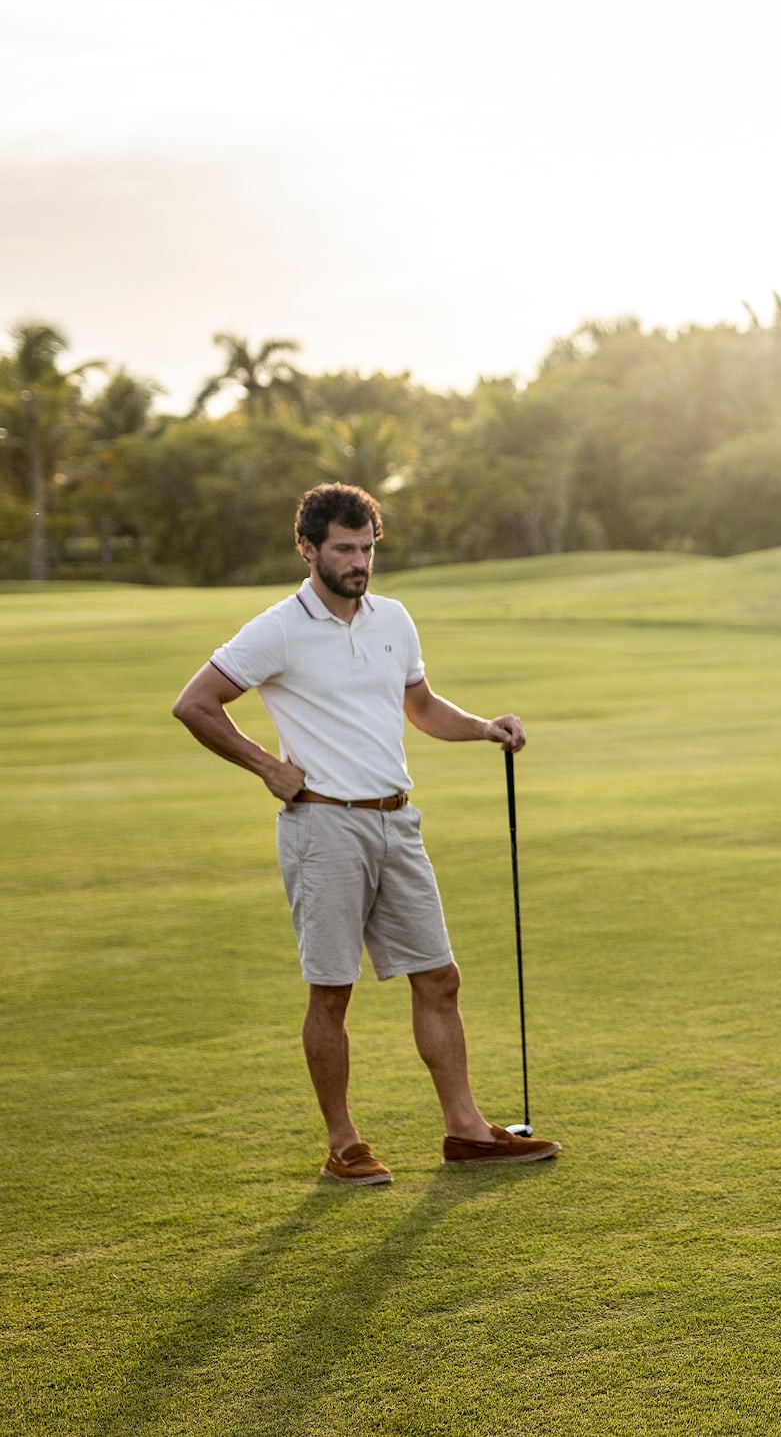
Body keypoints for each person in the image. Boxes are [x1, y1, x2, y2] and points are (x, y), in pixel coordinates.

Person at [172, 483, 560, 1186]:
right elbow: (195, 704)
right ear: (309, 548)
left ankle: (466, 1131)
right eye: (345, 549)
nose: (358, 562)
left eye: (368, 548)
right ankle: (344, 1145)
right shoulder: (276, 629)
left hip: (396, 821)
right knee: (332, 990)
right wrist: (265, 766)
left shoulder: (394, 619)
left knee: (439, 978)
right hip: (323, 825)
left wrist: (484, 728)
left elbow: (420, 705)